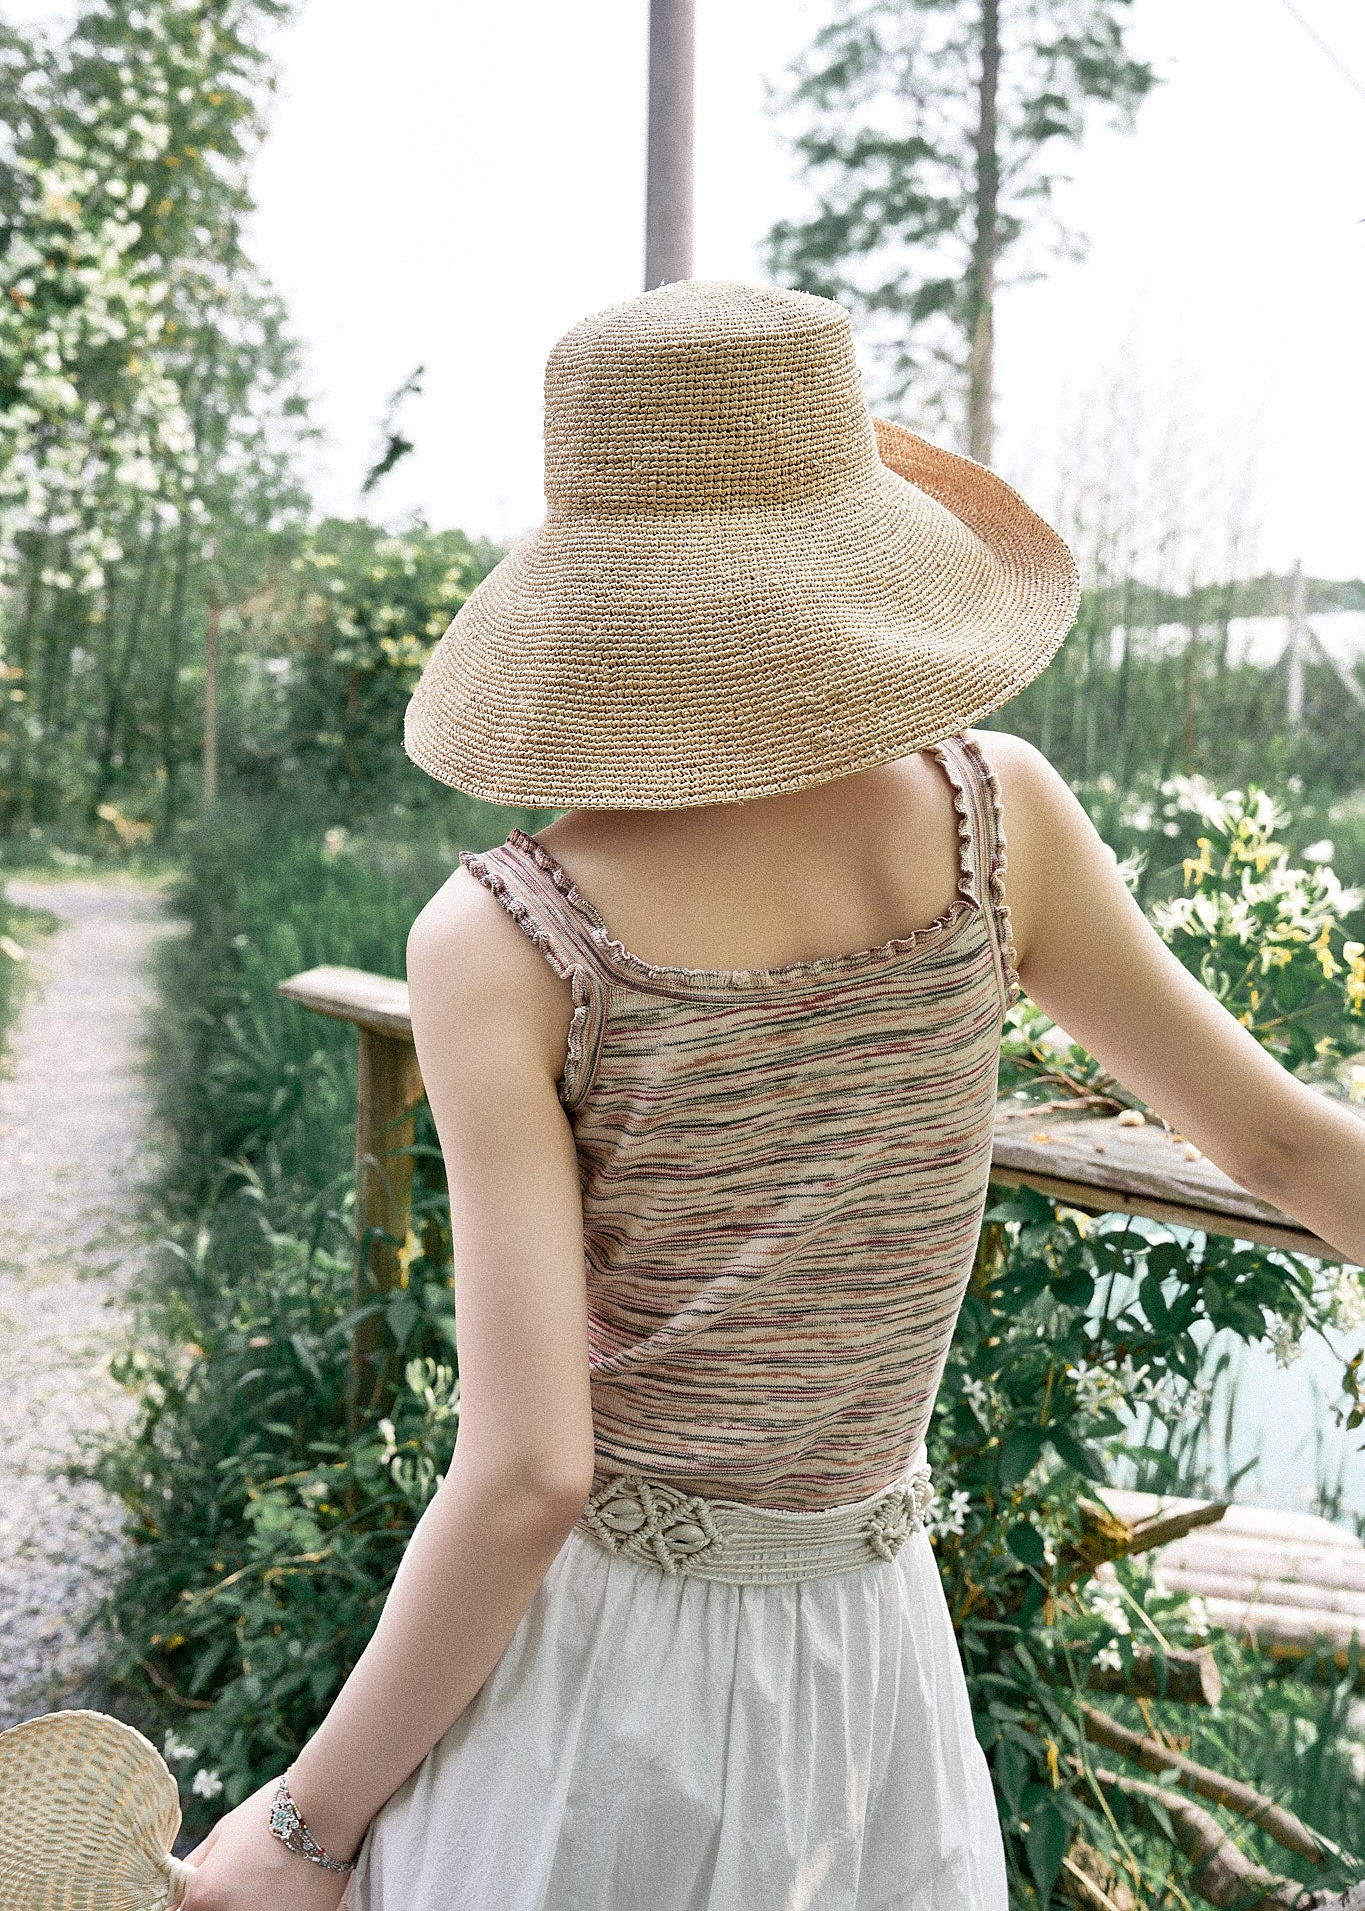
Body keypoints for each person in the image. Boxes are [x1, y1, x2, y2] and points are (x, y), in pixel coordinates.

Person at [182, 282, 1365, 1911]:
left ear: (585, 593)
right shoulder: (992, 816)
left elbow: (531, 1476)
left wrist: (301, 1829)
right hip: (868, 1665)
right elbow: (1280, 1142)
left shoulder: (503, 941)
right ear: (849, 552)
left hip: (593, 1698)